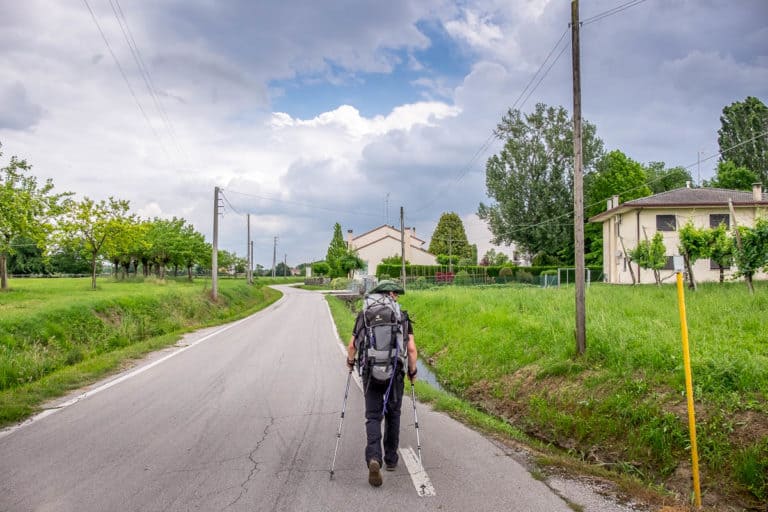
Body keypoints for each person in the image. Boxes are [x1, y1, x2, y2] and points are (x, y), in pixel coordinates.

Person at [346, 280, 418, 487]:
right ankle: (391, 460)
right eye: (396, 294)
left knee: (373, 416)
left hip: (370, 373)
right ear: (392, 295)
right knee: (393, 414)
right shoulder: (401, 316)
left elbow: (352, 346)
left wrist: (350, 362)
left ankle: (374, 458)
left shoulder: (364, 315)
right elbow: (411, 350)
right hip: (395, 372)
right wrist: (412, 371)